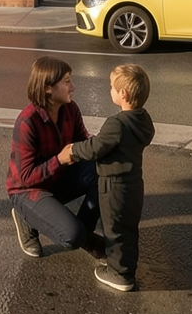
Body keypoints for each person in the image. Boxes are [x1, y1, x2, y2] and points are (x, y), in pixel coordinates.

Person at [61, 63, 154, 292]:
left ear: (123, 94)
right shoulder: (143, 119)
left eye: (111, 87)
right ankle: (126, 268)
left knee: (113, 228)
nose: (109, 90)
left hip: (114, 185)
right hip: (134, 183)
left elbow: (95, 148)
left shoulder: (117, 124)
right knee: (128, 227)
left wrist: (73, 150)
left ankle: (119, 275)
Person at [6, 56, 104, 260]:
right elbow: (26, 177)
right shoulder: (27, 121)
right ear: (48, 88)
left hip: (58, 178)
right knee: (72, 236)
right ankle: (25, 215)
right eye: (67, 82)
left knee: (104, 171)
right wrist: (60, 160)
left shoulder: (70, 109)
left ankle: (85, 235)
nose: (73, 87)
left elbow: (83, 142)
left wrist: (105, 144)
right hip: (27, 190)